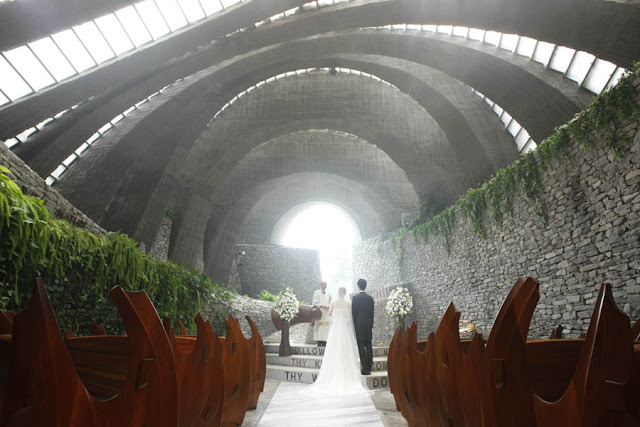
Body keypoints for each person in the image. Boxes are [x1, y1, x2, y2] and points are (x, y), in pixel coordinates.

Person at [307, 286, 368, 395]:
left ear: (337, 293)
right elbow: (350, 317)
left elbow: (329, 314)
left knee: (334, 349)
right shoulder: (348, 303)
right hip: (344, 328)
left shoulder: (333, 302)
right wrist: (344, 320)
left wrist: (335, 320)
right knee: (346, 349)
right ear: (345, 293)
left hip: (335, 329)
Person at [352, 278, 374, 375]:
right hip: (368, 325)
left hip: (359, 325)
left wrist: (354, 325)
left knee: (361, 346)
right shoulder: (370, 298)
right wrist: (371, 325)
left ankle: (365, 368)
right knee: (369, 346)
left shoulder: (355, 298)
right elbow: (372, 313)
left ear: (358, 286)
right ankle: (369, 366)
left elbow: (354, 313)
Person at [311, 281, 331, 347]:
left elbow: (331, 301)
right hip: (319, 312)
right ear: (321, 285)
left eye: (326, 284)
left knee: (326, 326)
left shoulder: (329, 293)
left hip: (326, 312)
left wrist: (329, 306)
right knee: (319, 326)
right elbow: (314, 302)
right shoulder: (316, 292)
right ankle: (319, 341)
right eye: (324, 284)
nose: (325, 285)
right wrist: (321, 305)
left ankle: (325, 341)